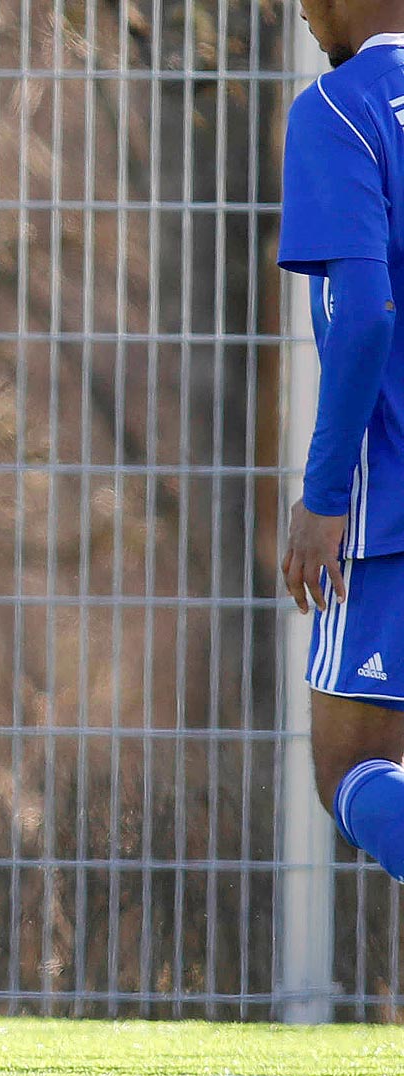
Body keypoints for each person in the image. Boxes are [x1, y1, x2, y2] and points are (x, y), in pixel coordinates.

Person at [281, 3, 404, 887]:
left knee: (351, 769)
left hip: (390, 509)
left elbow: (362, 318)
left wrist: (323, 498)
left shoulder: (339, 109)